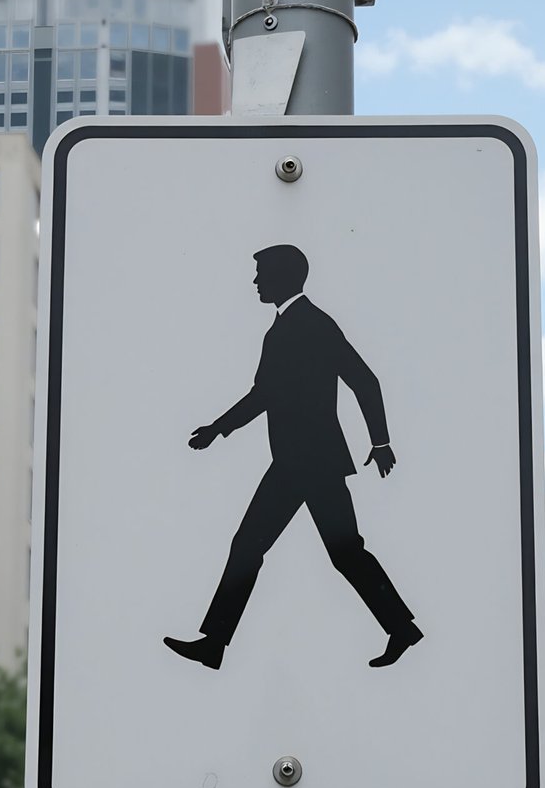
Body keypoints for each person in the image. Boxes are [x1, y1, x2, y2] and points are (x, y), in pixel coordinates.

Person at [163, 244, 422, 671]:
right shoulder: (284, 327)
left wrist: (380, 442)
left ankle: (214, 644)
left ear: (284, 276)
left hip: (309, 462)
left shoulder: (312, 324)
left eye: (261, 273)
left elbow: (364, 380)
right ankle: (401, 628)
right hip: (300, 461)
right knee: (340, 552)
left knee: (265, 546)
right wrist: (218, 429)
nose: (255, 281)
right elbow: (264, 395)